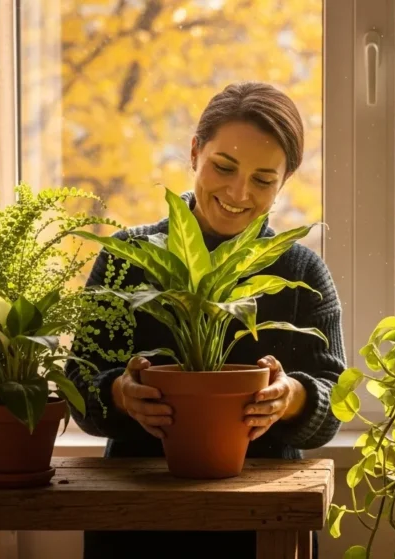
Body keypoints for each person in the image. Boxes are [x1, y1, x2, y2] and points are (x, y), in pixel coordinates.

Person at [65, 81, 344, 559]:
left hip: (261, 522)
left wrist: (290, 398)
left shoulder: (300, 270)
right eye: (224, 167)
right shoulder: (128, 258)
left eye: (262, 180)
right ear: (195, 152)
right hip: (135, 516)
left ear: (285, 181)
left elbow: (335, 399)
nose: (238, 193)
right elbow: (79, 384)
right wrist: (122, 394)